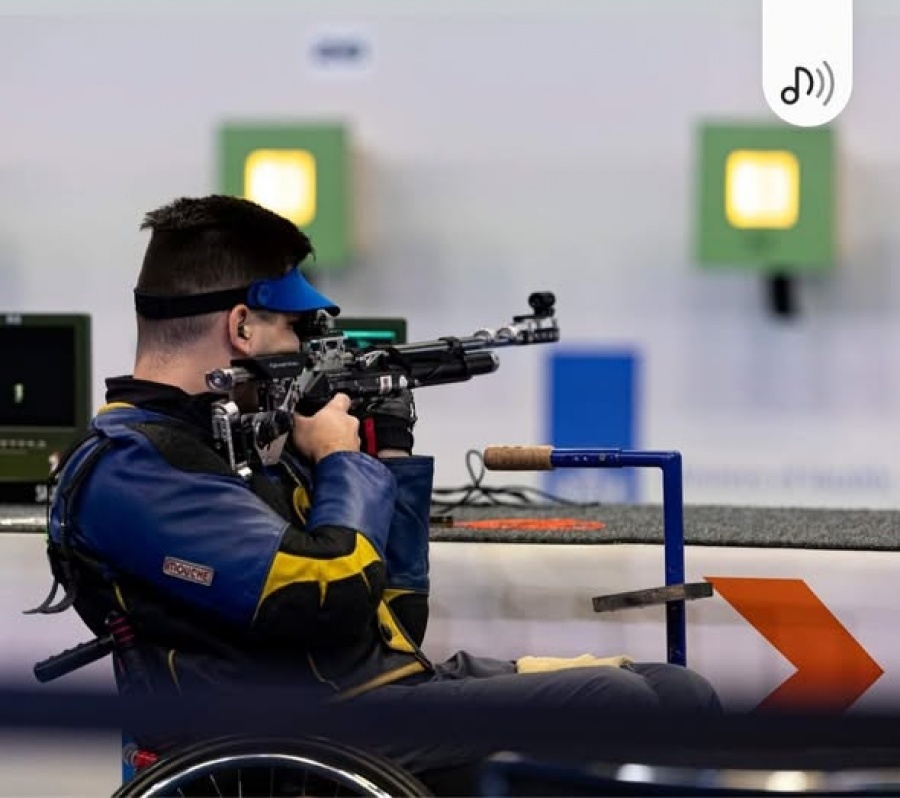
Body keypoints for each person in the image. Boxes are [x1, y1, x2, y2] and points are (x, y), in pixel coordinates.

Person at [37, 195, 720, 791]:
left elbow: (396, 617)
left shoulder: (234, 440)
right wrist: (340, 459)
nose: (305, 348)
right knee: (615, 702)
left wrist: (389, 455)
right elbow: (328, 597)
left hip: (373, 696)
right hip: (291, 736)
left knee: (674, 693)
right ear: (241, 328)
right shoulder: (133, 469)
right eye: (294, 329)